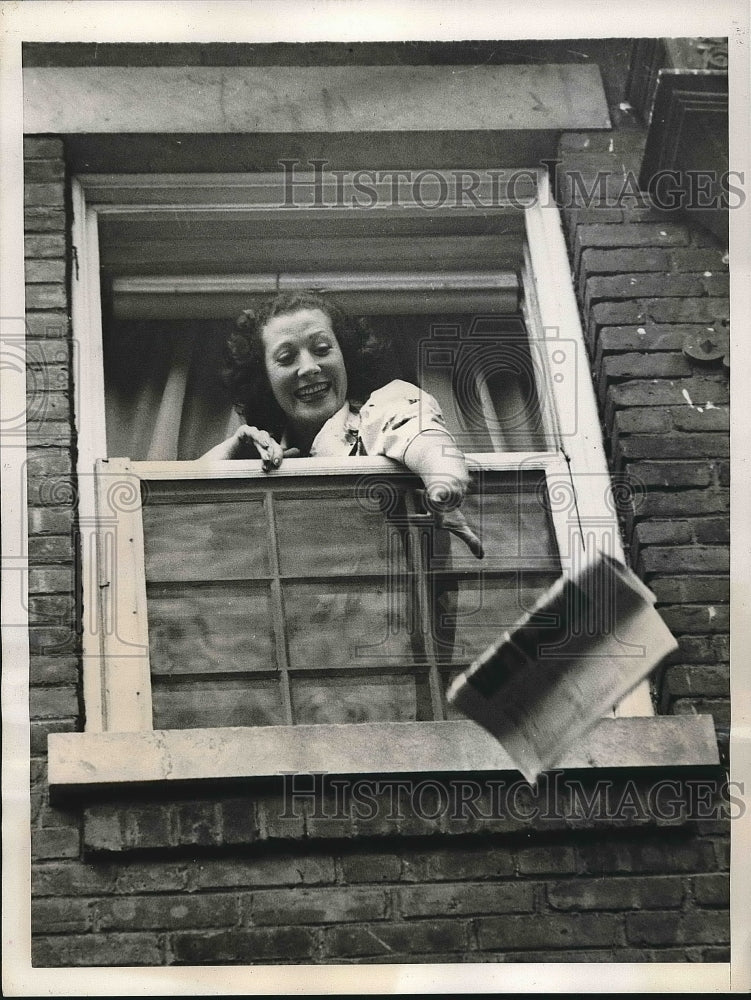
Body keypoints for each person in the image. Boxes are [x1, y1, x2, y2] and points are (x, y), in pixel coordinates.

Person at [200, 291, 483, 558]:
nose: (309, 367)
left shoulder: (383, 407)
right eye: (286, 358)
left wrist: (443, 483)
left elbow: (423, 438)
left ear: (345, 356)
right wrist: (231, 458)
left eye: (322, 349)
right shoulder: (267, 453)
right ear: (264, 379)